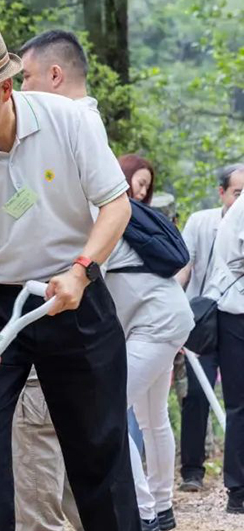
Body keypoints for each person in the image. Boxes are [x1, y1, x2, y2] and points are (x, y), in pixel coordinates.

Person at [0, 22, 139, 531]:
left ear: (5, 87)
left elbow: (114, 204)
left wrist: (82, 271)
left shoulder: (67, 121)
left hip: (75, 292)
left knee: (97, 441)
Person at [15, 28, 100, 531]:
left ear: (54, 75)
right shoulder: (87, 125)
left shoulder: (67, 127)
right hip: (79, 313)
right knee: (78, 471)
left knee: (38, 470)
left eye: (24, 78)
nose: (20, 91)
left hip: (55, 307)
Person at [108, 155, 194, 531]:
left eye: (146, 185)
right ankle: (161, 509)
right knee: (152, 418)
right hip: (164, 322)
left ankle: (143, 512)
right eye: (137, 182)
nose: (141, 191)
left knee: (108, 411)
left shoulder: (112, 222)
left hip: (157, 326)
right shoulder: (128, 222)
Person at [176, 163, 244, 492]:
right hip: (203, 317)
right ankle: (192, 470)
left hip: (233, 315)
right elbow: (185, 266)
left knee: (237, 396)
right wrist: (174, 311)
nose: (240, 198)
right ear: (222, 192)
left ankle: (234, 475)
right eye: (237, 192)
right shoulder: (200, 222)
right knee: (197, 394)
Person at [202, 169, 244, 515]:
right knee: (240, 403)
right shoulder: (241, 209)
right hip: (236, 314)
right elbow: (232, 260)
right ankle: (238, 489)